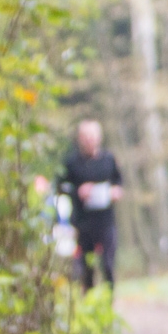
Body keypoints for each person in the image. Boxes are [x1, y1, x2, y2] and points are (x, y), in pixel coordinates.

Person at [58, 120, 123, 292]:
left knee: (108, 265)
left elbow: (118, 181)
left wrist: (116, 191)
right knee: (87, 268)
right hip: (82, 223)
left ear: (99, 138)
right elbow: (60, 186)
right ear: (79, 139)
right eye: (85, 137)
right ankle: (89, 301)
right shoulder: (71, 162)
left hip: (106, 222)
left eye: (92, 136)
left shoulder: (109, 159)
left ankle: (108, 303)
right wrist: (77, 192)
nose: (89, 140)